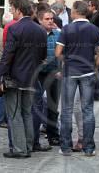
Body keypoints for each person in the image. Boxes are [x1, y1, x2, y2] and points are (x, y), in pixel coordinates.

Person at [55, 0, 99, 157]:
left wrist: (67, 61)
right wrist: (95, 65)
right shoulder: (93, 29)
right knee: (87, 111)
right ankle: (89, 147)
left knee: (66, 110)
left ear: (75, 12)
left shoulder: (67, 29)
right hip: (88, 73)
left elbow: (58, 53)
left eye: (72, 11)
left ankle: (65, 147)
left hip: (70, 72)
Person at [0, 0, 47, 159]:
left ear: (19, 10)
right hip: (32, 77)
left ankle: (20, 149)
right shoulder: (40, 30)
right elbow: (43, 56)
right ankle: (27, 146)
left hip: (16, 78)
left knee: (15, 114)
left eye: (12, 8)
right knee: (26, 112)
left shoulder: (15, 28)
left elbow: (8, 55)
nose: (11, 11)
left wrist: (1, 76)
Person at [33, 10, 62, 149]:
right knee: (36, 105)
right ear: (40, 20)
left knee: (52, 107)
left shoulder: (58, 34)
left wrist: (60, 70)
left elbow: (63, 54)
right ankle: (33, 137)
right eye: (47, 19)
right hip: (37, 74)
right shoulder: (36, 34)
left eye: (52, 18)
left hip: (52, 74)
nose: (50, 21)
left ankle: (53, 136)